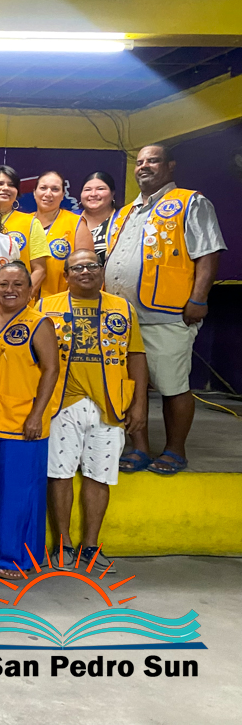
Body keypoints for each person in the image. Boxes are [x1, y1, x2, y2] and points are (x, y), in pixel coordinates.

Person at [104, 144, 225, 476]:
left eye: (153, 160)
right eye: (140, 162)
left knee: (172, 385)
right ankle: (139, 447)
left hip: (167, 313)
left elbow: (208, 253)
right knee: (131, 386)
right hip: (121, 318)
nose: (144, 166)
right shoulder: (124, 212)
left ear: (170, 165)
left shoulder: (190, 202)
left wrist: (198, 299)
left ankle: (175, 450)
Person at [40, 249, 148, 574]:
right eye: (77, 268)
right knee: (59, 474)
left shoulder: (123, 308)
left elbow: (136, 356)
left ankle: (90, 546)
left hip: (109, 405)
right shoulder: (45, 307)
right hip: (61, 404)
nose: (85, 271)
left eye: (91, 265)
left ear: (102, 270)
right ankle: (63, 545)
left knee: (99, 475)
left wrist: (139, 403)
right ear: (65, 275)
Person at [0, 263, 60, 580]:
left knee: (18, 493)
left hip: (24, 422)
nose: (10, 290)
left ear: (30, 289)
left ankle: (17, 558)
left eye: (18, 284)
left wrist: (37, 414)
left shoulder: (39, 323)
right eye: (4, 284)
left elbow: (51, 370)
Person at [0, 165, 49, 296]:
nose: (5, 188)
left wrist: (22, 296)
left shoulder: (31, 223)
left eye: (11, 185)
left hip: (15, 300)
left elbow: (40, 269)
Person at [33, 170, 91, 297]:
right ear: (34, 192)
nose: (48, 194)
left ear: (63, 194)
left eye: (55, 189)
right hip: (21, 303)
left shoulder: (76, 224)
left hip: (61, 303)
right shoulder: (24, 223)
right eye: (43, 188)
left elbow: (86, 271)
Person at [76, 172, 118, 264]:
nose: (93, 194)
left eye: (100, 189)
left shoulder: (124, 219)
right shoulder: (69, 218)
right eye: (87, 190)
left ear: (112, 193)